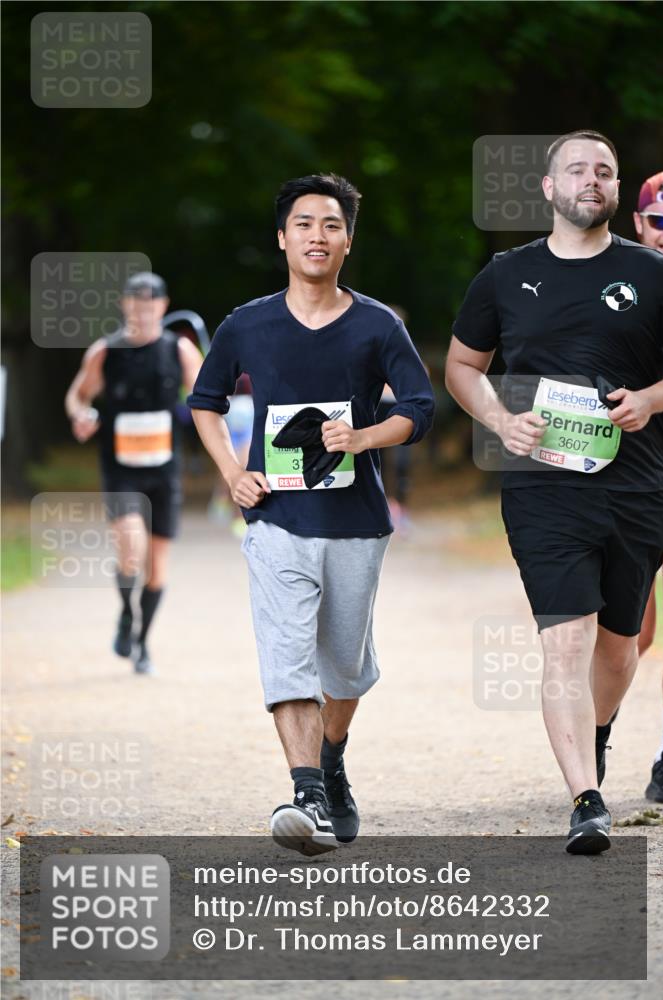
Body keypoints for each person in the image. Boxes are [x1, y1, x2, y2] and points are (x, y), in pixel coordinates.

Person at [188, 173, 434, 855]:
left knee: (344, 670)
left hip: (356, 520)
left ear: (347, 240)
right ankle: (304, 793)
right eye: (303, 224)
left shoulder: (377, 324)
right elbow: (204, 402)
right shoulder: (247, 323)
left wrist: (361, 436)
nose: (316, 236)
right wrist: (233, 474)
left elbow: (418, 408)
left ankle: (330, 760)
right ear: (281, 238)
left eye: (330, 224)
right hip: (275, 519)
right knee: (288, 654)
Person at [445, 131, 663, 854]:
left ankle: (595, 732)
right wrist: (499, 420)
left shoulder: (652, 271)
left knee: (619, 644)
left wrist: (652, 400)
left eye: (603, 170)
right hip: (543, 485)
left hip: (637, 483)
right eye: (575, 168)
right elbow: (461, 366)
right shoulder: (505, 276)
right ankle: (586, 797)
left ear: (613, 190)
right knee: (565, 642)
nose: (591, 179)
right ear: (547, 188)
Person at [65, 272, 202, 675]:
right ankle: (127, 612)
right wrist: (82, 414)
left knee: (157, 567)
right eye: (135, 303)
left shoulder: (179, 350)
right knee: (131, 550)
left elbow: (204, 399)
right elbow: (78, 394)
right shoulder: (105, 351)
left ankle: (142, 643)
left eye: (150, 304)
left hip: (164, 470)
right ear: (124, 305)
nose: (142, 311)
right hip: (120, 468)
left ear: (163, 306)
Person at [633, 171, 663, 802]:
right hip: (629, 474)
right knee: (631, 632)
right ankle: (597, 727)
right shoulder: (613, 288)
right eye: (661, 222)